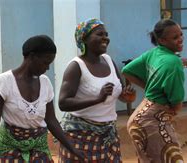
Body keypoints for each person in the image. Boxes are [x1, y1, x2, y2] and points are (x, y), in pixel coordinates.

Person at [0, 35, 84, 163]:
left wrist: (71, 148)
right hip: (9, 148)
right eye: (45, 62)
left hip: (38, 147)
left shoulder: (45, 83)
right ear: (32, 57)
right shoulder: (3, 83)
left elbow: (51, 120)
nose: (47, 68)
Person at [58, 18, 136, 163]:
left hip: (108, 136)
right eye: (100, 34)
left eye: (106, 34)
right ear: (85, 39)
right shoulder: (76, 66)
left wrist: (127, 96)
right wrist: (97, 99)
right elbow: (63, 103)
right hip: (80, 136)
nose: (105, 38)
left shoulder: (108, 61)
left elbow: (120, 94)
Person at [122, 19, 185, 163]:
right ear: (162, 40)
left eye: (181, 35)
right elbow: (176, 102)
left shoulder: (153, 53)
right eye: (175, 37)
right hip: (152, 121)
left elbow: (127, 70)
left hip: (138, 119)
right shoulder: (174, 62)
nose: (180, 39)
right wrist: (174, 110)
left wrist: (147, 86)